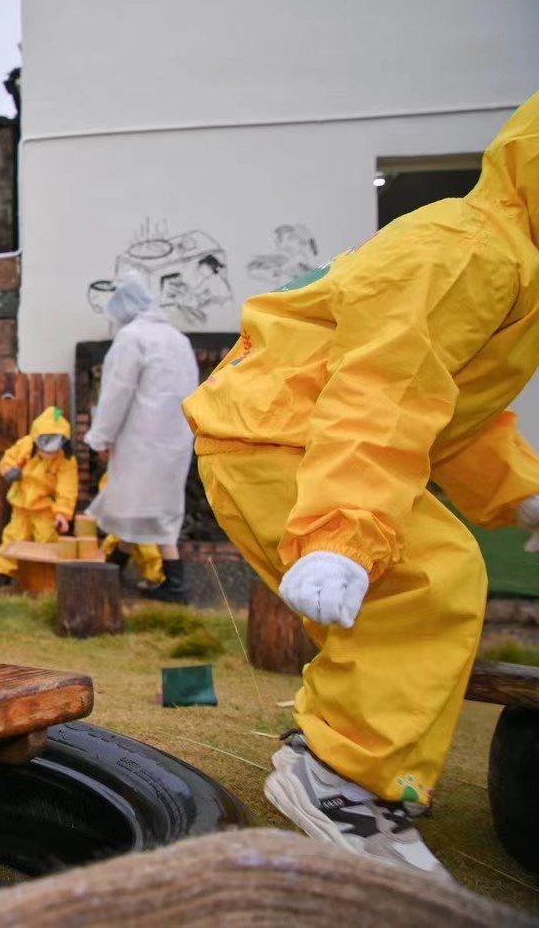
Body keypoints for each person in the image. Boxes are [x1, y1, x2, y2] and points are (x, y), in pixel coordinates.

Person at [183, 93, 539, 876]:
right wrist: (342, 533)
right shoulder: (471, 251)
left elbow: (458, 408)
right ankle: (339, 779)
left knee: (414, 587)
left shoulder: (512, 262)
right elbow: (382, 390)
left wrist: (519, 490)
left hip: (290, 432)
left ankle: (344, 759)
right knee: (430, 578)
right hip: (286, 437)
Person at [85, 273, 198, 604]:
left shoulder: (131, 338)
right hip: (175, 441)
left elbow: (117, 392)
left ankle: (143, 580)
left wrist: (100, 437)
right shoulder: (178, 340)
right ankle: (129, 575)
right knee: (148, 508)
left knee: (131, 503)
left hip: (140, 439)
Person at [0, 407, 78, 582]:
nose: (49, 452)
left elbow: (67, 489)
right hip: (21, 506)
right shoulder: (26, 445)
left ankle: (46, 579)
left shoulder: (66, 461)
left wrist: (62, 513)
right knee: (13, 537)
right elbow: (8, 458)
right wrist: (8, 471)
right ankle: (2, 574)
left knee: (47, 541)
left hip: (45, 510)